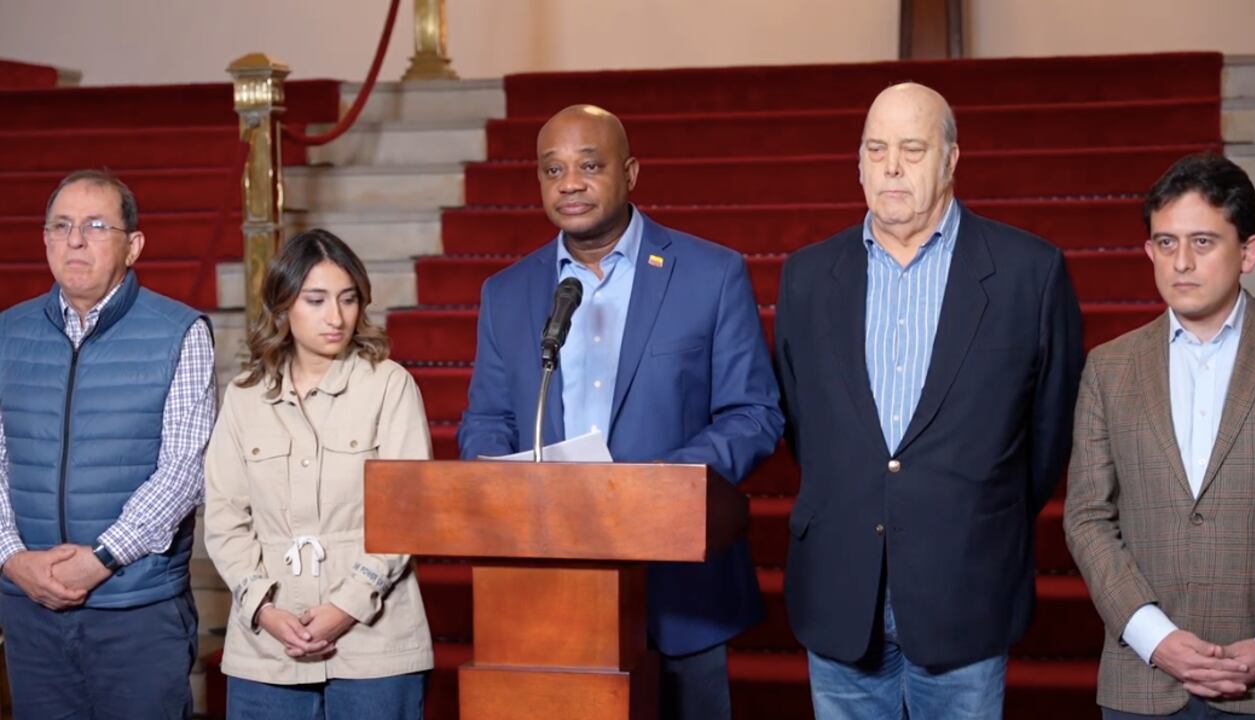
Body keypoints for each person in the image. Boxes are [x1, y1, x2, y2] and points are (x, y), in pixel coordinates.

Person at [457, 104, 783, 719]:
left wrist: (656, 486)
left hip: (679, 587)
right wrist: (494, 473)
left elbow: (753, 414)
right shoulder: (507, 293)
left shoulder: (710, 274)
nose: (569, 183)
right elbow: (486, 420)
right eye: (552, 169)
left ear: (630, 171)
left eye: (589, 165)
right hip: (549, 582)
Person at [774, 82, 1084, 719]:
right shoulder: (805, 276)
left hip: (965, 586)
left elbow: (1048, 435)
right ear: (858, 162)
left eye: (912, 149)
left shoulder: (1031, 272)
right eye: (876, 148)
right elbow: (806, 425)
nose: (891, 166)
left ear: (950, 160)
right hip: (840, 588)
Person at [1065, 152, 1255, 719]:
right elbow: (1087, 517)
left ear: (1249, 253)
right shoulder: (1109, 367)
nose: (1181, 262)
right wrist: (1153, 634)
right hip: (1144, 683)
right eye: (1166, 243)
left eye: (1203, 242)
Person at [0, 169, 215, 719]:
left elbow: (183, 471)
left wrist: (100, 558)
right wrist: (11, 558)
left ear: (133, 245)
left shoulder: (180, 331)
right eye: (62, 225)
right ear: (45, 239)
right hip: (29, 608)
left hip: (135, 607)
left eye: (96, 225)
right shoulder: (7, 333)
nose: (75, 239)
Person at [203, 229, 434, 719]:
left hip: (376, 645)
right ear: (284, 304)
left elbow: (406, 511)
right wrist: (264, 608)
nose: (336, 317)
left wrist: (345, 608)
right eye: (317, 300)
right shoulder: (245, 396)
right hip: (267, 650)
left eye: (348, 300)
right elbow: (224, 519)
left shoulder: (389, 385)